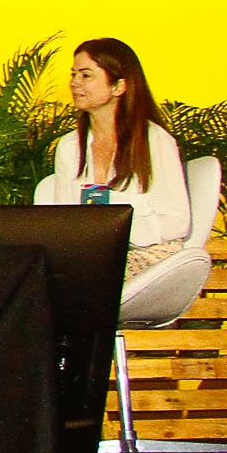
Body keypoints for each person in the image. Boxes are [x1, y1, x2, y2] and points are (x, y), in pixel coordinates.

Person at [49, 36, 192, 278]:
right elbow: (65, 220)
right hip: (92, 256)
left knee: (89, 277)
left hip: (148, 255)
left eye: (86, 75)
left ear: (119, 86)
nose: (74, 83)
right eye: (73, 74)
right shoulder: (69, 146)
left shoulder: (154, 140)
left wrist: (118, 233)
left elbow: (177, 221)